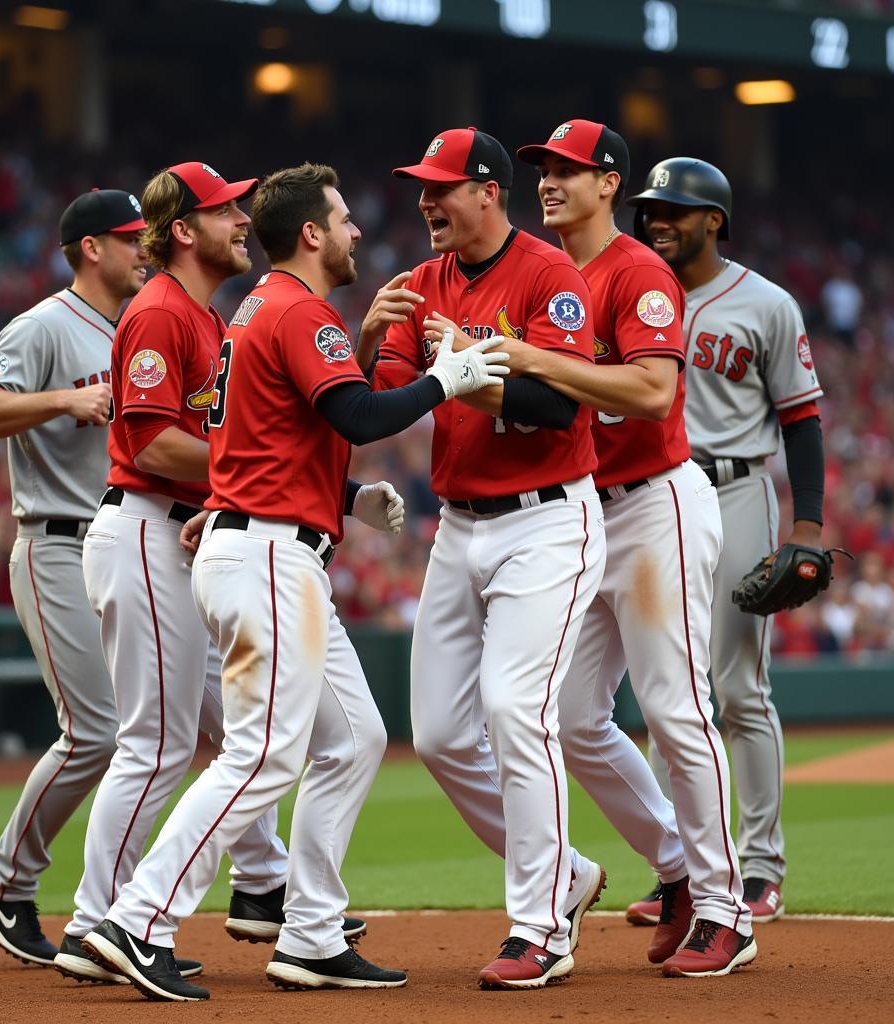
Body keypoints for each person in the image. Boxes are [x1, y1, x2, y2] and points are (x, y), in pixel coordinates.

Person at [79, 162, 507, 1002]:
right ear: (310, 233)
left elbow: (282, 437)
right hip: (267, 554)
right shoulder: (293, 308)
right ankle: (137, 920)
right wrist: (442, 382)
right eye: (343, 220)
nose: (355, 232)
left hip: (268, 544)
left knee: (353, 739)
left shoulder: (259, 309)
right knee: (264, 752)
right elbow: (356, 414)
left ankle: (310, 933)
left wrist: (345, 477)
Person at [470, 119, 753, 978]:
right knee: (570, 715)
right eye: (541, 171)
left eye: (567, 170)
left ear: (608, 183)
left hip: (657, 504)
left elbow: (652, 387)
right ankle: (675, 867)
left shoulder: (637, 270)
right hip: (584, 510)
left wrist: (535, 362)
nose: (549, 182)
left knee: (674, 706)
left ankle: (725, 908)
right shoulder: (543, 273)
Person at [57, 163, 326, 981]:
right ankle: (96, 922)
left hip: (180, 536)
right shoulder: (161, 311)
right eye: (226, 209)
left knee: (231, 730)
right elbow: (148, 442)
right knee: (159, 743)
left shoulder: (205, 316)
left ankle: (264, 882)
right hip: (143, 527)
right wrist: (240, 471)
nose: (243, 219)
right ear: (184, 229)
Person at [371, 127, 609, 990]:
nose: (427, 200)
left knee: (515, 708)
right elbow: (385, 403)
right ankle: (570, 874)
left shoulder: (550, 275)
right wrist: (377, 338)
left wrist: (467, 365)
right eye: (422, 187)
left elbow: (560, 403)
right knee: (436, 734)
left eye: (442, 186)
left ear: (487, 192)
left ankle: (540, 925)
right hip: (459, 525)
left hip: (547, 519)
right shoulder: (420, 283)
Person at [623, 157, 826, 926]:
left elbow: (802, 420)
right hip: (650, 493)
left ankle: (761, 872)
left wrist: (805, 526)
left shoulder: (766, 304)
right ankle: (679, 870)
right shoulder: (629, 290)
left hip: (735, 485)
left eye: (674, 210)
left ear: (715, 220)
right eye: (651, 210)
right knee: (665, 691)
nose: (656, 221)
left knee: (738, 687)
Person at [0, 189, 147, 966]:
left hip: (119, 545)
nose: (144, 248)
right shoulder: (43, 324)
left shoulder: (135, 326)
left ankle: (118, 914)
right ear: (91, 248)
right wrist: (61, 398)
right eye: (130, 238)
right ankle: (4, 881)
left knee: (146, 734)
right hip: (56, 541)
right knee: (97, 730)